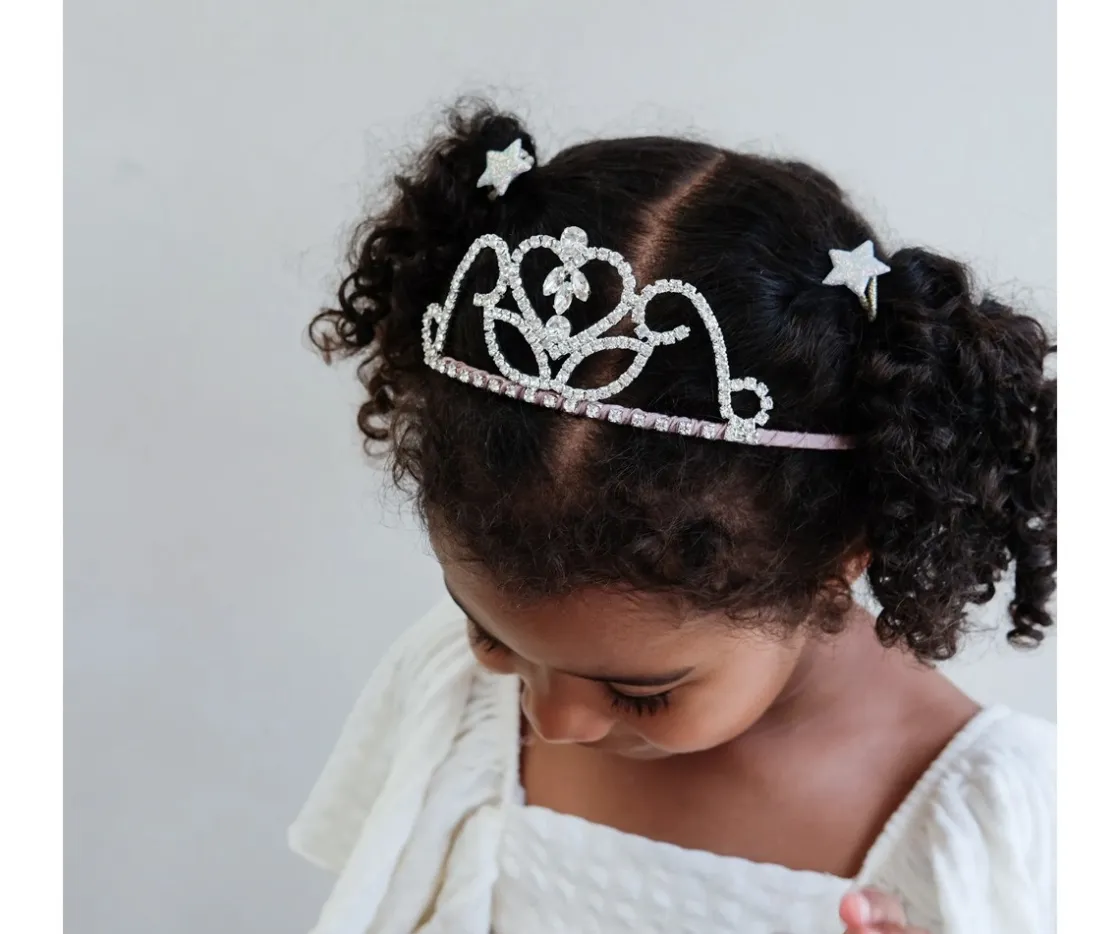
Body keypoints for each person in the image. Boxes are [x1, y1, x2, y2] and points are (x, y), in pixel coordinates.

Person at [289, 103, 1056, 934]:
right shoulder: (456, 697)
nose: (550, 720)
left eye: (641, 693)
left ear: (838, 559)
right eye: (489, 633)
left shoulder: (992, 826)